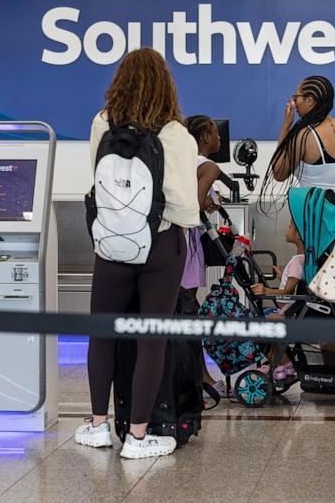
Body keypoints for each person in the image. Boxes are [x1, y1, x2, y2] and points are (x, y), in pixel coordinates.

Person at [76, 48, 200, 459]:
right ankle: (139, 436)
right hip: (160, 245)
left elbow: (94, 182)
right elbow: (184, 206)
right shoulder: (176, 134)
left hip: (109, 244)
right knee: (152, 339)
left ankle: (97, 426)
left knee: (103, 332)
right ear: (166, 84)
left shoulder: (101, 123)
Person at [178, 114, 228, 402]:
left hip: (175, 243)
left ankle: (196, 374)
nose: (219, 139)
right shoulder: (208, 166)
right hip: (188, 244)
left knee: (185, 308)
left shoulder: (184, 163)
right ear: (205, 137)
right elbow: (193, 206)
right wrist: (207, 203)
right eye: (215, 134)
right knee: (188, 312)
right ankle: (201, 378)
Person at [262, 75, 335, 208]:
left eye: (295, 97)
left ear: (309, 100)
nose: (293, 102)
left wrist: (286, 126)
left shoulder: (303, 135)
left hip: (314, 214)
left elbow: (279, 173)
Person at [250, 221, 303, 381]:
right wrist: (282, 277)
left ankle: (282, 362)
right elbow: (295, 283)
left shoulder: (297, 261)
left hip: (288, 313)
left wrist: (267, 291)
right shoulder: (301, 259)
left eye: (289, 228)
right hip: (289, 311)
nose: (286, 230)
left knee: (257, 324)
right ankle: (278, 360)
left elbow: (288, 291)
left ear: (299, 235)